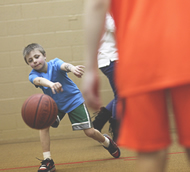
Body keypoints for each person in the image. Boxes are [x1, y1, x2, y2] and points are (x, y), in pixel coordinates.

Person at [82, 0, 190, 172]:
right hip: (184, 46)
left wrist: (89, 68)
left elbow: (97, 4)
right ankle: (111, 125)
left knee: (151, 152)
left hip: (138, 56)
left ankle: (108, 122)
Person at [23, 43, 120, 172]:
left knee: (90, 132)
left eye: (37, 56)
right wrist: (51, 84)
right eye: (30, 60)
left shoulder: (55, 63)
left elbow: (64, 66)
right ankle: (48, 161)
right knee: (43, 124)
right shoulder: (32, 75)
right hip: (55, 106)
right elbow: (39, 81)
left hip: (74, 101)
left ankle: (106, 142)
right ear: (28, 64)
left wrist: (73, 68)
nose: (35, 61)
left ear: (44, 55)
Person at [92, 13, 118, 141]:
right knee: (121, 95)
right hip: (110, 59)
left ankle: (99, 121)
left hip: (114, 59)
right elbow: (117, 28)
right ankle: (118, 131)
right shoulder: (107, 12)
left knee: (122, 93)